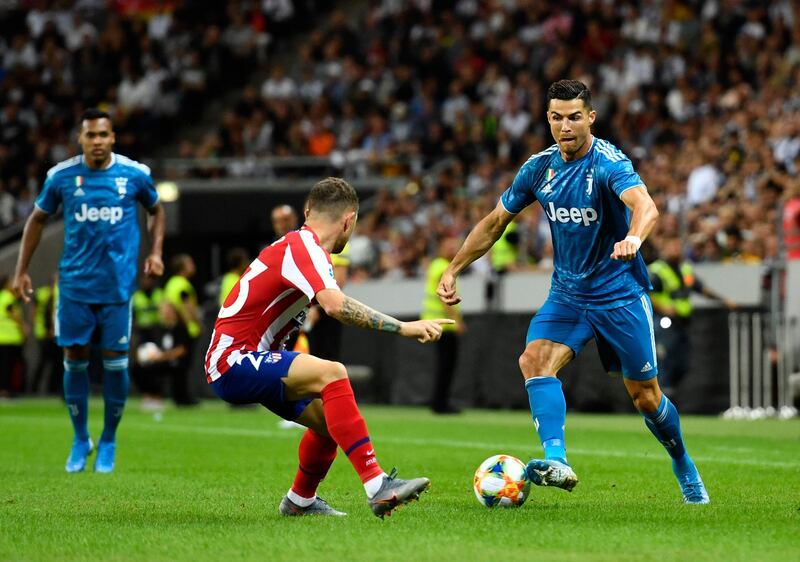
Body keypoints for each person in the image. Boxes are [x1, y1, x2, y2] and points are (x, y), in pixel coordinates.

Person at [437, 80, 710, 504]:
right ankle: (557, 459)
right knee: (534, 360)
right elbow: (495, 222)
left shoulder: (607, 162)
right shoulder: (538, 168)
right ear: (548, 118)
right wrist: (454, 268)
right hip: (567, 294)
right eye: (557, 117)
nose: (566, 126)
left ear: (590, 118)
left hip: (619, 294)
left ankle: (682, 462)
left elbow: (645, 206)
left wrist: (635, 239)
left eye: (575, 117)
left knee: (646, 398)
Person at [205, 177, 453, 518]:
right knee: (333, 373)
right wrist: (404, 327)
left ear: (307, 211)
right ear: (349, 220)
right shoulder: (306, 249)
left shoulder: (297, 246)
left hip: (244, 358)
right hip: (235, 360)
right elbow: (335, 306)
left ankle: (299, 501)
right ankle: (377, 486)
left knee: (331, 420)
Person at [12, 107, 165, 473]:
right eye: (90, 135)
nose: (97, 141)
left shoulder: (135, 175)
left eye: (103, 135)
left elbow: (156, 211)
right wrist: (21, 271)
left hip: (116, 288)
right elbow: (36, 219)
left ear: (113, 138)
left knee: (115, 363)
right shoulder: (62, 177)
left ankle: (109, 439)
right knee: (75, 358)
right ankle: (81, 438)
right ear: (80, 139)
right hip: (74, 287)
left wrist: (157, 252)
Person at [649, 237, 736, 396]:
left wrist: (723, 300)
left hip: (682, 323)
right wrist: (663, 308)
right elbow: (646, 292)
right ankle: (662, 399)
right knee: (665, 359)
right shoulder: (657, 270)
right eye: (672, 246)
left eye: (678, 246)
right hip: (663, 322)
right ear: (663, 250)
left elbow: (701, 288)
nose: (675, 249)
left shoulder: (685, 270)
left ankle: (669, 392)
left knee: (682, 362)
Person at [421, 235, 465, 414]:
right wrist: (458, 321)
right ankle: (441, 403)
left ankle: (439, 401)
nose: (453, 249)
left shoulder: (435, 265)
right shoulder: (442, 267)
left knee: (443, 365)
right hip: (444, 326)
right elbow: (444, 299)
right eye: (449, 245)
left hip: (436, 323)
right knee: (446, 366)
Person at [164, 254, 200, 405]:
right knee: (183, 364)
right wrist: (198, 322)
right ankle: (183, 397)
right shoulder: (182, 284)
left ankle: (179, 396)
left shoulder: (171, 283)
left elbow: (166, 305)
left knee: (179, 363)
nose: (193, 266)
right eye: (190, 263)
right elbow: (187, 305)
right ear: (183, 267)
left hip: (177, 328)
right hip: (185, 329)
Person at [30, 273, 62, 395]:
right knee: (47, 362)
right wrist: (50, 329)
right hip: (47, 333)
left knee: (53, 362)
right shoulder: (51, 294)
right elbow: (49, 312)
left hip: (46, 332)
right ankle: (37, 388)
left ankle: (49, 388)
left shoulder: (41, 293)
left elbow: (34, 311)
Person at [0, 275, 27, 398]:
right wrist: (24, 329)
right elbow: (15, 316)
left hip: (2, 338)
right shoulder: (8, 298)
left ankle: (5, 389)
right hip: (11, 338)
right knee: (10, 366)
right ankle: (7, 390)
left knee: (4, 366)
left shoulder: (1, 297)